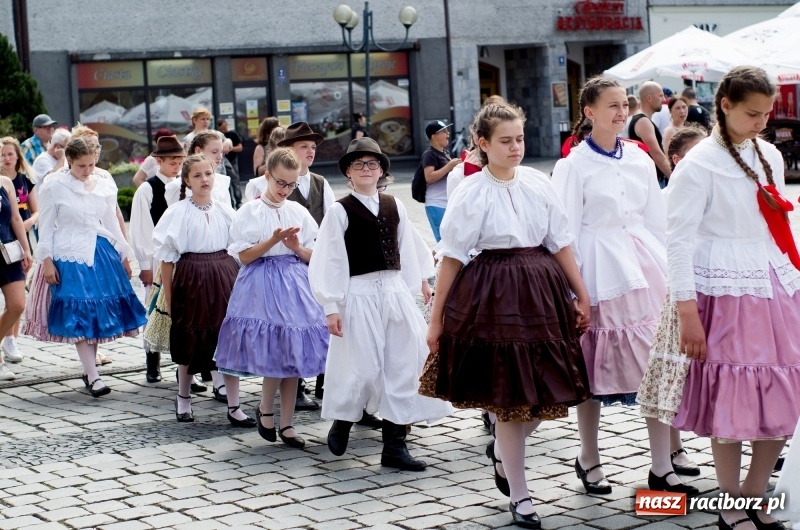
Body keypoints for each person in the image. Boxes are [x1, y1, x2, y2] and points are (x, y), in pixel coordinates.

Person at [642, 66, 800, 530]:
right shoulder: (699, 163)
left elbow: (780, 228)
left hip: (772, 285)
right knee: (732, 396)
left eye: (767, 114)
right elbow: (679, 242)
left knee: (784, 392)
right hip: (723, 288)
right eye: (753, 113)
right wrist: (687, 312)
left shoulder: (768, 152)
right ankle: (729, 502)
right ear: (725, 105)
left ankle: (755, 494)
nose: (761, 122)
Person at [419, 101, 590, 529]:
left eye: (520, 139)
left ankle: (500, 451)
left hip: (543, 291)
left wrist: (581, 294)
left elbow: (560, 241)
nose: (516, 148)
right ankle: (521, 493)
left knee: (541, 395)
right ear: (482, 143)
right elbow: (453, 257)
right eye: (505, 141)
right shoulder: (471, 192)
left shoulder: (536, 182)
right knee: (511, 400)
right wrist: (437, 319)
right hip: (493, 295)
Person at [552, 76, 699, 500]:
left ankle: (661, 467)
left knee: (657, 365)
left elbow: (656, 219)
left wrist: (674, 271)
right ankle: (589, 457)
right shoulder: (573, 165)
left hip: (645, 264)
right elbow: (565, 232)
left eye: (623, 104)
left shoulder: (637, 159)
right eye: (611, 105)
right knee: (592, 368)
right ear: (589, 112)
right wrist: (574, 288)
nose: (620, 112)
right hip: (597, 269)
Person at [310, 137, 452, 469]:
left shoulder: (394, 205)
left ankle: (394, 445)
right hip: (357, 295)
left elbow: (409, 249)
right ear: (348, 172)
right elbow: (328, 259)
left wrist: (418, 284)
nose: (366, 169)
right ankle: (344, 418)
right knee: (363, 367)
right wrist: (331, 306)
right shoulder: (339, 210)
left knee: (403, 367)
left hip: (393, 293)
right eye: (358, 164)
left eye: (372, 164)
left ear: (381, 171)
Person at [215, 148, 328, 445]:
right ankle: (266, 410)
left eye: (291, 185)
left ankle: (287, 423)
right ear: (267, 176)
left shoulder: (298, 212)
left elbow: (314, 254)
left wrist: (295, 247)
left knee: (294, 352)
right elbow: (244, 256)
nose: (285, 190)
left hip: (295, 283)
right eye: (280, 183)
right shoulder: (249, 212)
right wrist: (273, 240)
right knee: (277, 350)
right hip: (262, 283)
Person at [36, 137, 146, 396]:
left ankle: (90, 371)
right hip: (68, 253)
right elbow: (46, 225)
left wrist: (124, 254)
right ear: (69, 161)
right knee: (80, 314)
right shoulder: (54, 185)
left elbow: (111, 221)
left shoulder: (104, 183)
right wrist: (47, 260)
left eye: (91, 165)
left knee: (95, 314)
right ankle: (94, 375)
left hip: (100, 252)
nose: (87, 171)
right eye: (81, 166)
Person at [153, 154, 239, 422]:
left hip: (224, 275)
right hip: (191, 278)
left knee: (228, 337)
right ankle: (183, 397)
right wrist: (168, 295)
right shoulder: (178, 212)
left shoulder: (225, 210)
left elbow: (238, 249)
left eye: (208, 174)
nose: (204, 180)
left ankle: (234, 405)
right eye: (198, 175)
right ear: (187, 181)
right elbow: (167, 259)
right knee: (190, 336)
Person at [277, 121, 337, 409]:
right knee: (295, 325)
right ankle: (295, 385)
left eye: (313, 147)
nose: (310, 152)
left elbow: (331, 225)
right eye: (304, 147)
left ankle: (326, 383)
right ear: (289, 149)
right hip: (287, 266)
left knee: (325, 321)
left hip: (315, 261)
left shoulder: (320, 183)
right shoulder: (271, 184)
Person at [130, 136, 186, 383]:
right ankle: (152, 361)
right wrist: (144, 264)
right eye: (172, 161)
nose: (176, 165)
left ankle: (184, 361)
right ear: (159, 161)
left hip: (183, 257)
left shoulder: (186, 184)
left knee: (182, 308)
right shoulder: (148, 188)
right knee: (153, 307)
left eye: (179, 161)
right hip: (157, 258)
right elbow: (141, 228)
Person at [0, 138, 39, 363]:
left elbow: (18, 216)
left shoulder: (11, 182)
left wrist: (26, 248)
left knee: (16, 304)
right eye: (2, 154)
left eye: (9, 154)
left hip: (12, 247)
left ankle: (10, 339)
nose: (5, 158)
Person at [422, 120, 460, 242]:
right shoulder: (429, 154)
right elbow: (429, 177)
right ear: (434, 136)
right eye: (444, 131)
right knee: (444, 243)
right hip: (436, 204)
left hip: (447, 204)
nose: (447, 134)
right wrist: (449, 166)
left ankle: (431, 260)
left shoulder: (444, 153)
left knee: (449, 242)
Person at [630, 82, 672, 187]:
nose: (664, 99)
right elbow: (656, 153)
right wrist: (674, 177)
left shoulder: (643, 120)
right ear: (649, 98)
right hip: (653, 180)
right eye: (660, 95)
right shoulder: (643, 121)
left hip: (652, 179)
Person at [245, 127, 285, 202]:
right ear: (270, 151)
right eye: (279, 149)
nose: (285, 154)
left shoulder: (298, 181)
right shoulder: (257, 185)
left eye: (288, 149)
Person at [217, 118, 243, 208]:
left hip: (232, 161)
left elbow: (240, 147)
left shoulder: (233, 134)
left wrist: (229, 148)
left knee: (235, 182)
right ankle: (231, 203)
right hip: (221, 162)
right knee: (226, 184)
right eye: (219, 125)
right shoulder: (219, 136)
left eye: (222, 124)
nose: (222, 127)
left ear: (226, 123)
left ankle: (238, 201)